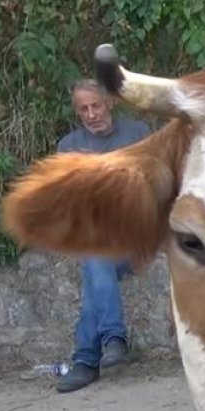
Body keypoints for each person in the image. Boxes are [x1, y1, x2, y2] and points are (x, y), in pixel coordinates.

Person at [54, 80, 150, 393]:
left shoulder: (137, 134)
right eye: (83, 109)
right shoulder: (69, 147)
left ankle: (86, 359)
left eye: (95, 105)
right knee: (97, 258)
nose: (91, 114)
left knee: (97, 263)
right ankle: (113, 340)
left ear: (109, 103)